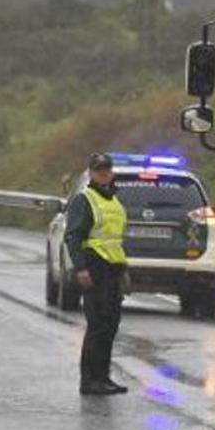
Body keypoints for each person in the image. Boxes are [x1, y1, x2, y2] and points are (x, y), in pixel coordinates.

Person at [65, 152, 130, 395]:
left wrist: (123, 270)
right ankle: (89, 380)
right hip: (94, 268)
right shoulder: (85, 199)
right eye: (99, 170)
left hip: (112, 269)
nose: (104, 173)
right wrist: (80, 268)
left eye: (107, 170)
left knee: (110, 326)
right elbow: (73, 236)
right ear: (91, 173)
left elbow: (115, 240)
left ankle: (103, 377)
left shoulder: (113, 201)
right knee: (97, 326)